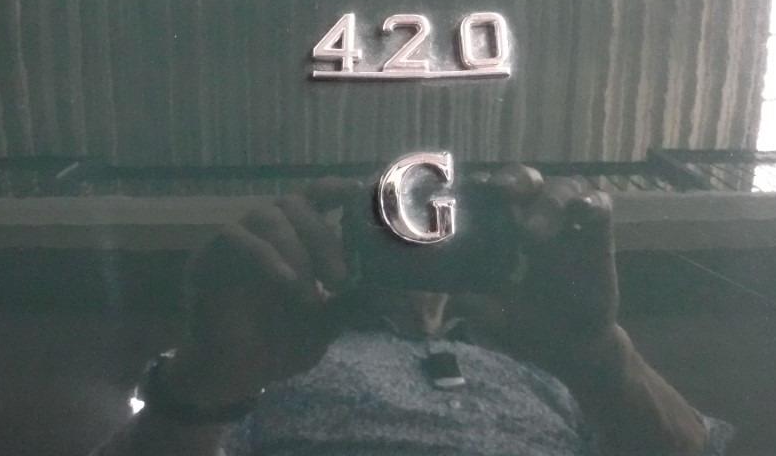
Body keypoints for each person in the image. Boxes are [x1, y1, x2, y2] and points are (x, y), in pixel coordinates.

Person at [92, 166, 732, 456]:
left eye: (442, 221)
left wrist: (597, 355)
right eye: (391, 222)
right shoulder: (277, 358)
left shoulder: (553, 366)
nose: (421, 236)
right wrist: (209, 379)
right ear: (347, 236)